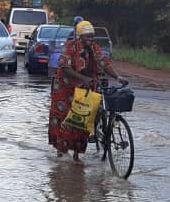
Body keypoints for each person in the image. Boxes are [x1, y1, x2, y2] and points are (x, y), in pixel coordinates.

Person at [48, 20, 125, 163]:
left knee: (84, 120)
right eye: (87, 36)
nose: (90, 39)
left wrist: (118, 77)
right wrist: (83, 78)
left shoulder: (94, 48)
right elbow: (65, 67)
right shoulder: (70, 47)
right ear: (79, 36)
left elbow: (104, 63)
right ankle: (61, 150)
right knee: (65, 118)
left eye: (92, 36)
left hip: (87, 86)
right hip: (67, 88)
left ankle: (77, 154)